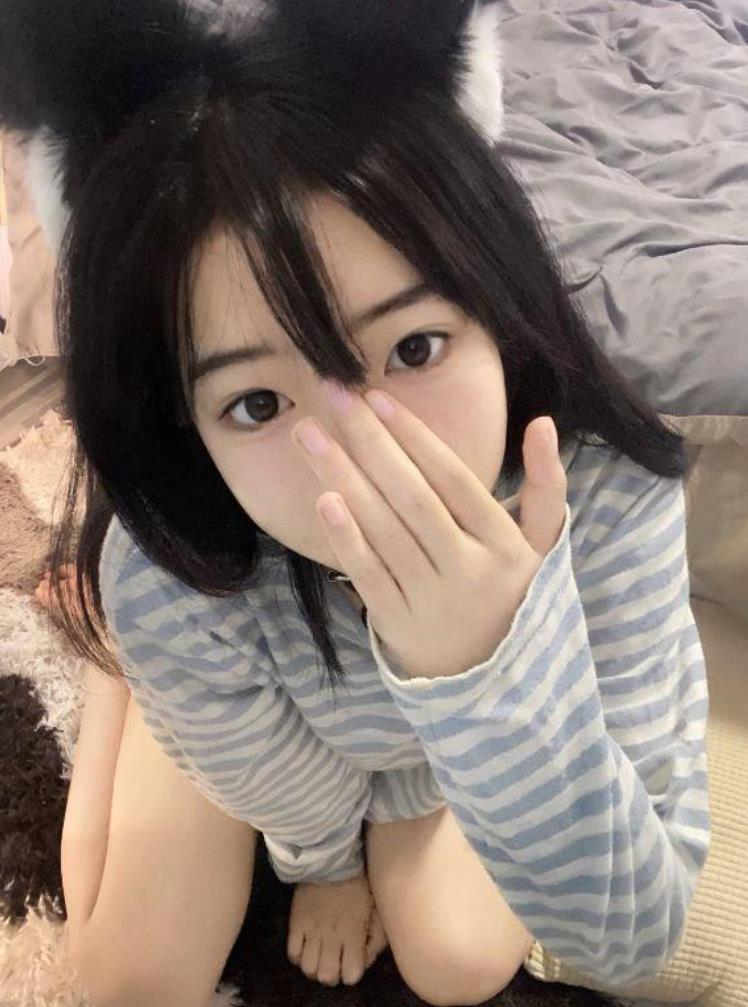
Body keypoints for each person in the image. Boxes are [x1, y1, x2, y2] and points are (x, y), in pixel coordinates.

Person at [1, 0, 710, 1003]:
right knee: (125, 982)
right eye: (257, 402)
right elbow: (267, 769)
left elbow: (631, 929)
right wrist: (323, 863)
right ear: (186, 424)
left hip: (427, 749)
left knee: (458, 960)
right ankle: (119, 673)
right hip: (261, 694)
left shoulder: (607, 486)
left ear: (499, 304)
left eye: (414, 347)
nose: (357, 459)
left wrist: (488, 667)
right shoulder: (182, 564)